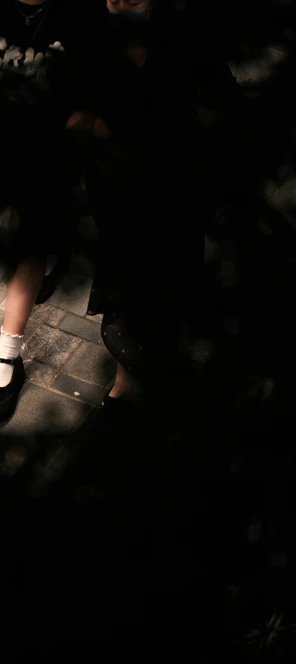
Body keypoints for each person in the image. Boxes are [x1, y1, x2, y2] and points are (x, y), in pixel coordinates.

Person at [0, 0, 99, 414]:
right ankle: (53, 239)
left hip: (53, 141)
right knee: (22, 216)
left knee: (29, 230)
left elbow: (96, 88)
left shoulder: (83, 10)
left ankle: (7, 352)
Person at [81, 0, 242, 403]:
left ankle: (150, 369)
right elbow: (61, 95)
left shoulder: (184, 24)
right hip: (116, 185)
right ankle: (129, 377)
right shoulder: (86, 25)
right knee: (127, 269)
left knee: (170, 267)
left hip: (176, 181)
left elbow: (225, 99)